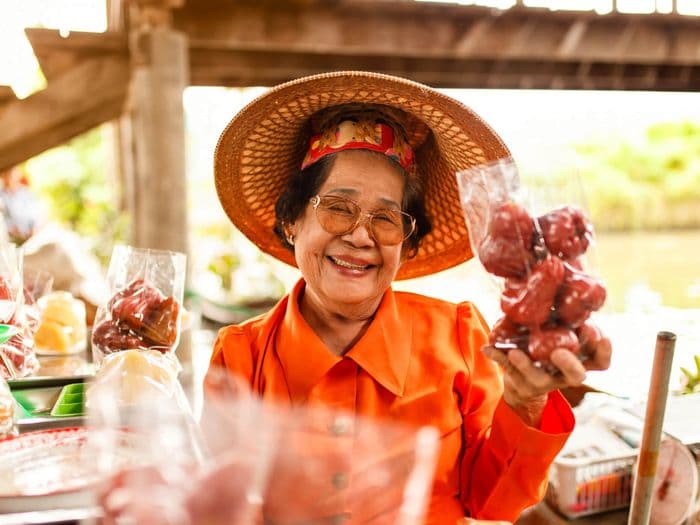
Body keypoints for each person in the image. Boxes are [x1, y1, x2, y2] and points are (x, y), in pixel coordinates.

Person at [202, 71, 612, 524]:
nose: (361, 236)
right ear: (293, 220)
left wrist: (525, 402)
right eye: (338, 207)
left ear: (405, 242)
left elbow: (494, 505)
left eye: (387, 218)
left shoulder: (460, 334)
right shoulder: (241, 356)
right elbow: (225, 509)